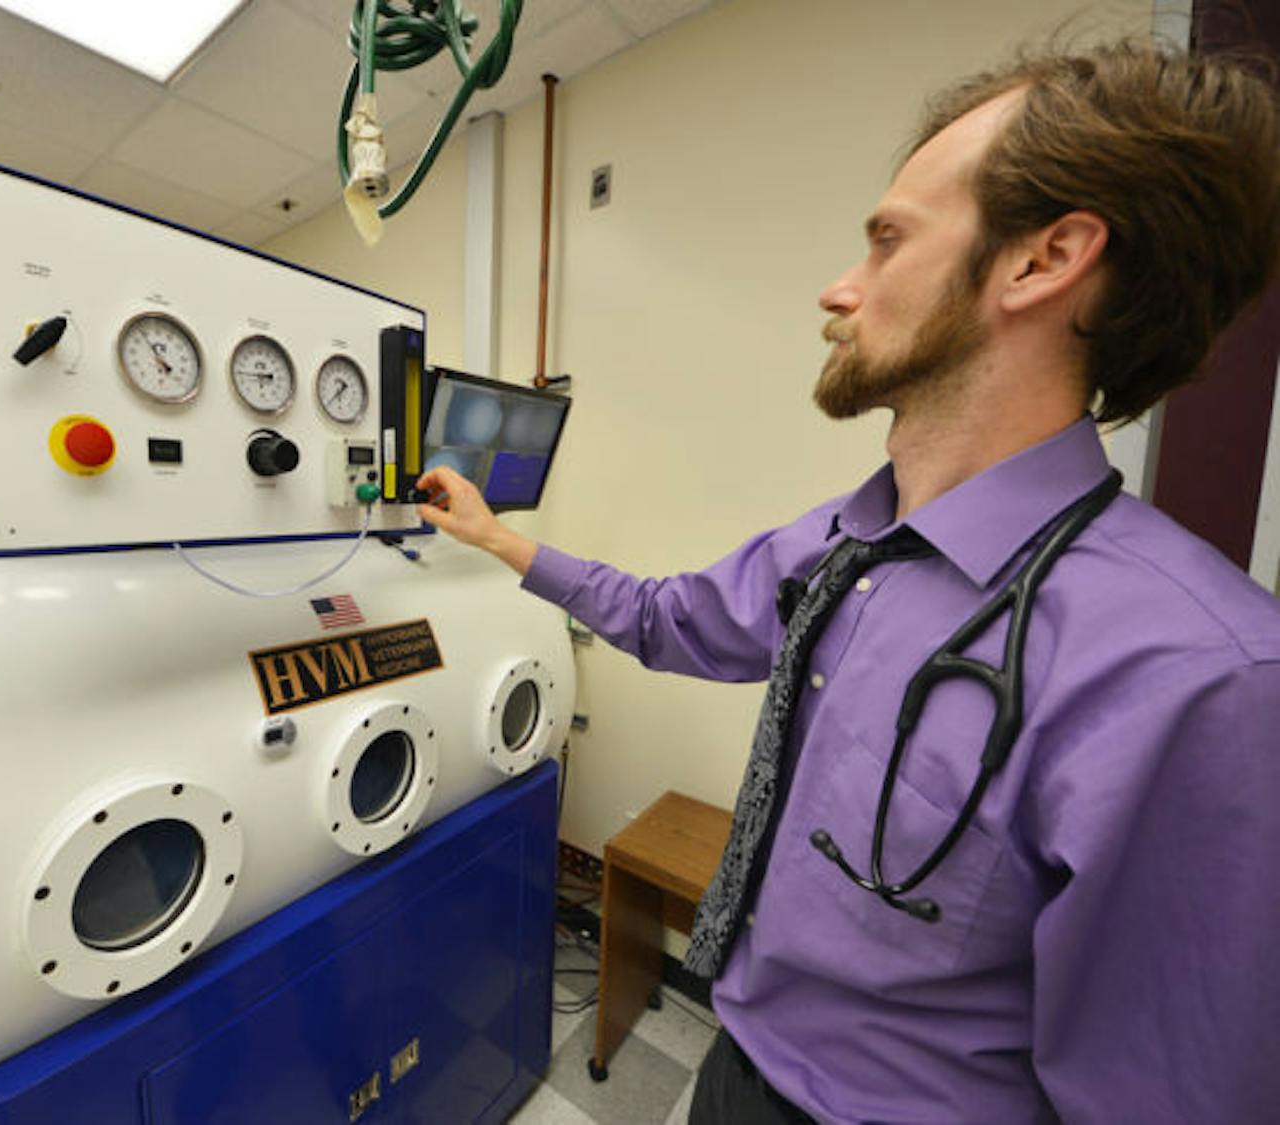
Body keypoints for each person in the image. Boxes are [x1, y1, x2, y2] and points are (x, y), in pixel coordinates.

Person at [417, 40, 1280, 1125]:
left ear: (1042, 259)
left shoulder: (1204, 677)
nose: (839, 288)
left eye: (886, 242)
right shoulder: (847, 542)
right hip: (737, 1066)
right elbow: (669, 617)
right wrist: (501, 543)